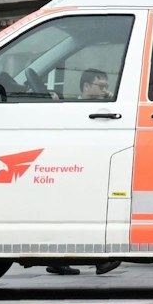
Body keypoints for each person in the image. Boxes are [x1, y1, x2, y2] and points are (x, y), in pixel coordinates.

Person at [49, 69, 122, 277]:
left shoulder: (106, 107)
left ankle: (61, 261)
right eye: (101, 85)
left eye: (107, 85)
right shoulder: (76, 107)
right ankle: (99, 260)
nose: (105, 89)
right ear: (87, 87)